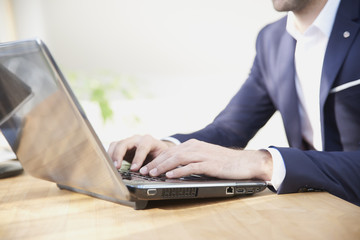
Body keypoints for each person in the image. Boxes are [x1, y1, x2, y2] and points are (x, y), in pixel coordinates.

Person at [108, 0, 360, 206]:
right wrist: (167, 149)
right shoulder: (271, 40)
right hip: (315, 208)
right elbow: (230, 129)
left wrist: (263, 162)